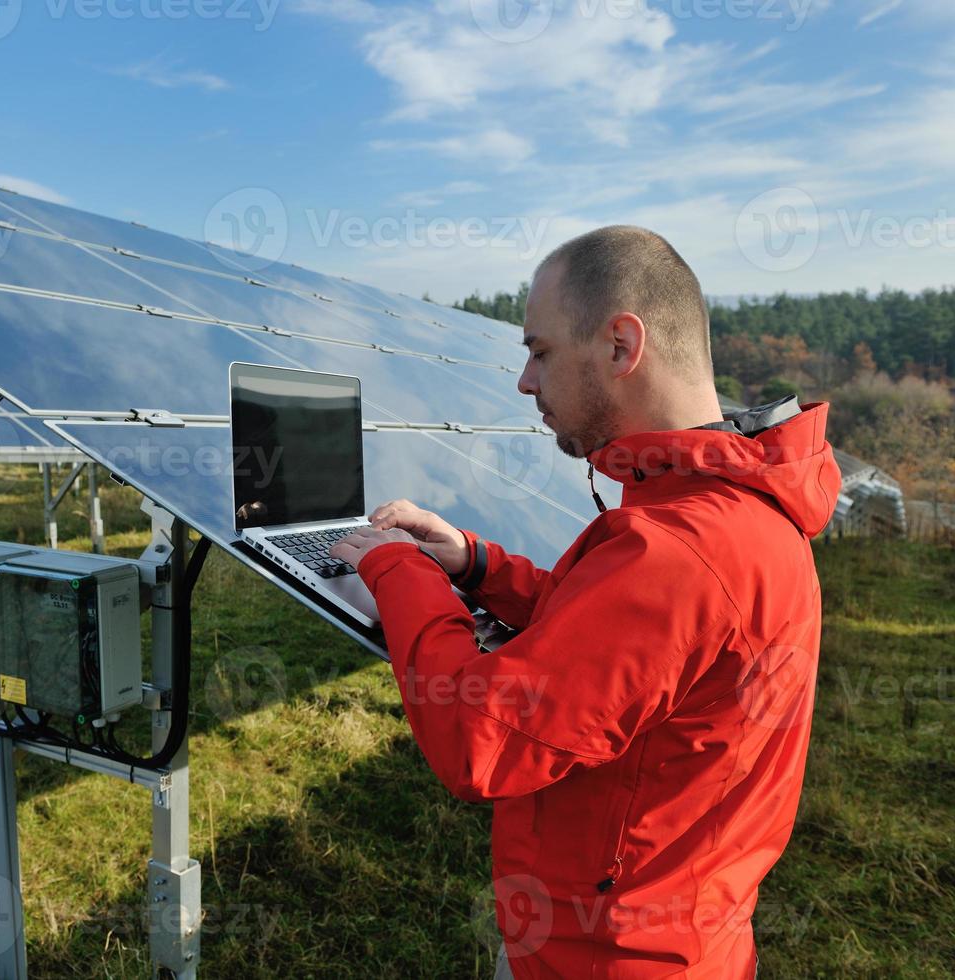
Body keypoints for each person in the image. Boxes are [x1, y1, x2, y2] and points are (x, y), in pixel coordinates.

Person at [329, 226, 841, 978]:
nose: (524, 382)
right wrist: (474, 565)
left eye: (539, 352)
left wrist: (395, 571)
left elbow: (479, 737)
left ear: (620, 346)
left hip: (606, 958)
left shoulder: (680, 549)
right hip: (683, 939)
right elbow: (618, 652)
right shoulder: (730, 509)